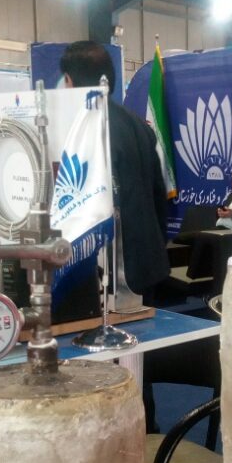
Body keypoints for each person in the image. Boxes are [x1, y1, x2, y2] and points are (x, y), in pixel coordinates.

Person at [59, 40, 169, 297]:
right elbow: (158, 195)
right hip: (148, 261)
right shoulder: (137, 124)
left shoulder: (84, 129)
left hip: (112, 268)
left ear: (70, 80)